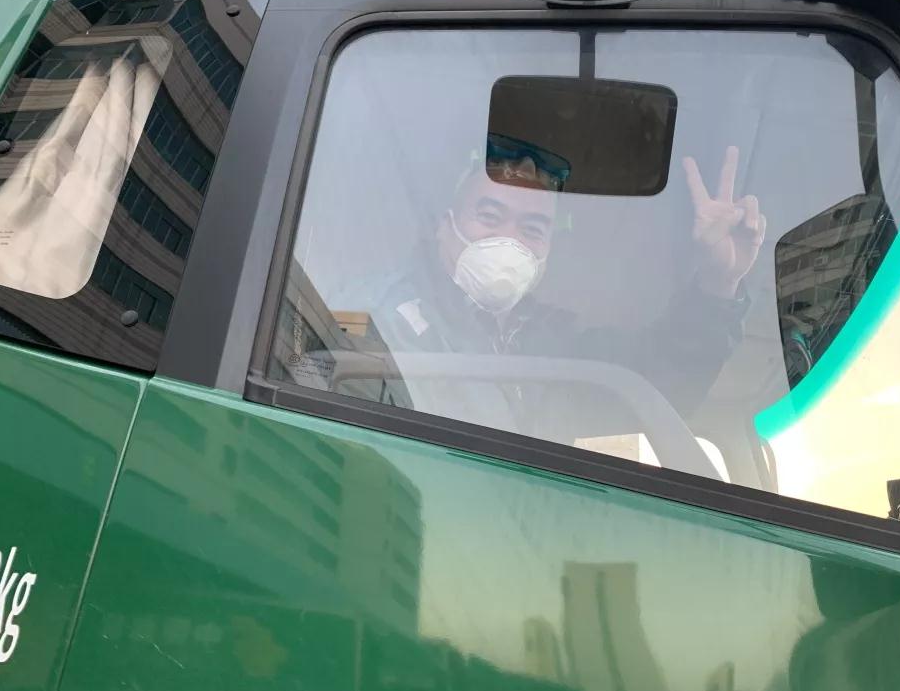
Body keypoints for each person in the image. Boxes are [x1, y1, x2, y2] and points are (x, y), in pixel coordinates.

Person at [292, 142, 766, 457]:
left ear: (547, 254)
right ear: (444, 225)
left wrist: (717, 284)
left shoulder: (555, 346)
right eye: (489, 216)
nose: (509, 240)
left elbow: (659, 385)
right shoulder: (376, 317)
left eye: (533, 228)